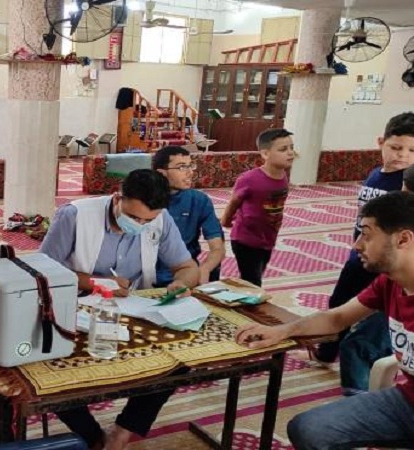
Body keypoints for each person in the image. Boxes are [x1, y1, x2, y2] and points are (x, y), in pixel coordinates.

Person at [235, 191, 414, 450]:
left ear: (403, 239)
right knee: (308, 429)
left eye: (367, 235)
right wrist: (283, 331)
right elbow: (337, 318)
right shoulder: (389, 283)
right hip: (407, 402)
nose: (357, 245)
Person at [40, 169, 199, 450]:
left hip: (133, 311)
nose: (140, 225)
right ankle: (92, 436)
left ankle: (123, 430)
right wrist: (95, 282)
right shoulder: (75, 215)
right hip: (76, 308)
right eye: (134, 217)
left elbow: (187, 267)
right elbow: (43, 272)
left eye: (147, 220)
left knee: (178, 363)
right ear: (117, 198)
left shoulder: (160, 219)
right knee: (49, 368)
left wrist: (180, 283)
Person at [312, 112, 414, 395]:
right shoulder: (375, 175)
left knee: (364, 339)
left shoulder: (407, 184)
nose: (403, 155)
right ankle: (326, 351)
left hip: (388, 266)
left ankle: (363, 394)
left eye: (411, 150)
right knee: (339, 304)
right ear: (381, 142)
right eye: (396, 147)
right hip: (361, 257)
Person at [220, 128, 295, 287]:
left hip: (268, 238)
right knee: (252, 282)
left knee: (254, 277)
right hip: (245, 239)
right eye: (283, 149)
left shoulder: (283, 176)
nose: (290, 153)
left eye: (291, 148)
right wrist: (226, 220)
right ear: (265, 154)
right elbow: (234, 201)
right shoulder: (250, 179)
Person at [153, 146, 225, 287]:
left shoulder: (199, 200)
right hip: (147, 276)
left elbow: (218, 248)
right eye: (181, 167)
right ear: (162, 173)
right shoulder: (144, 200)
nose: (190, 173)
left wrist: (204, 269)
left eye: (190, 166)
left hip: (185, 274)